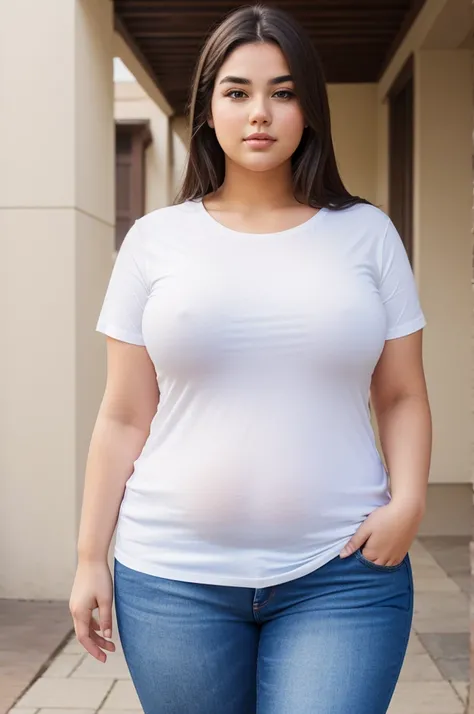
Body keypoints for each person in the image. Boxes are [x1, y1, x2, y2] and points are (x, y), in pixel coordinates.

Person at [69, 4, 432, 713]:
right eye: (237, 92)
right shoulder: (154, 240)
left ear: (309, 110)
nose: (259, 112)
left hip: (343, 572)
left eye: (283, 91)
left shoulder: (366, 234)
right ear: (208, 107)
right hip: (171, 578)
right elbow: (122, 416)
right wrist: (89, 558)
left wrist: (411, 501)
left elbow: (401, 394)